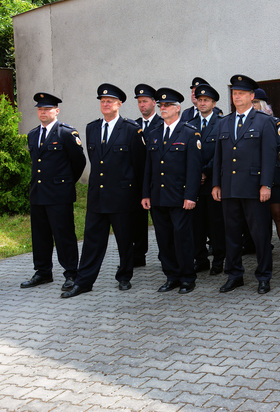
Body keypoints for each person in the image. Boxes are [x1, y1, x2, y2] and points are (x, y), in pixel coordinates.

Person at [62, 84, 146, 298]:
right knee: (92, 242)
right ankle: (84, 281)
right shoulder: (92, 128)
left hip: (122, 196)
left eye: (110, 101)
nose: (105, 104)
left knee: (124, 240)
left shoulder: (131, 129)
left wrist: (141, 194)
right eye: (102, 101)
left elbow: (140, 165)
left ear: (119, 104)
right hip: (97, 196)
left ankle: (124, 275)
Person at [212, 75, 278, 295]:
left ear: (251, 96)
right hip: (229, 187)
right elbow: (219, 157)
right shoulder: (224, 122)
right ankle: (234, 275)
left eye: (241, 93)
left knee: (260, 235)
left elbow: (269, 156)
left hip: (253, 188)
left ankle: (264, 275)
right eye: (234, 93)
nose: (237, 97)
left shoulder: (264, 121)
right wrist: (216, 184)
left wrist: (266, 185)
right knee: (231, 234)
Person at [22, 93, 86, 291]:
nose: (43, 112)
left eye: (47, 109)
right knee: (39, 235)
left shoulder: (66, 133)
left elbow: (79, 162)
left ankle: (71, 273)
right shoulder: (33, 134)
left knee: (63, 234)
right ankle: (43, 272)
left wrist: (65, 183)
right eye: (40, 109)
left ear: (56, 111)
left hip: (59, 194)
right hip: (38, 193)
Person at [142, 87, 202, 294]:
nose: (163, 108)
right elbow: (148, 167)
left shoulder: (189, 132)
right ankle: (171, 276)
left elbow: (194, 169)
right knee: (164, 239)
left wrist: (190, 196)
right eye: (161, 105)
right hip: (158, 196)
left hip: (179, 196)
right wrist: (146, 194)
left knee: (181, 238)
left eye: (167, 105)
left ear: (178, 108)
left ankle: (187, 277)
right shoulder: (153, 133)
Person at [252, 87, 280, 276]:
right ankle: (264, 259)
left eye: (255, 102)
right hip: (252, 177)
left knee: (277, 215)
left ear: (262, 104)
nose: (253, 105)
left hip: (271, 174)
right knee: (259, 220)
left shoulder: (273, 121)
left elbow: (276, 145)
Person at [192, 83, 226, 276]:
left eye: (206, 100)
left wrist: (205, 172)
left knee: (216, 224)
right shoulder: (190, 124)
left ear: (213, 103)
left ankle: (219, 260)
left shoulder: (221, 123)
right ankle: (201, 259)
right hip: (195, 184)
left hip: (213, 182)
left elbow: (221, 153)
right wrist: (196, 174)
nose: (202, 103)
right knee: (197, 225)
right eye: (200, 100)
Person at [132, 83, 162, 267]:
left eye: (145, 101)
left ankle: (166, 256)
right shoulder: (133, 125)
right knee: (137, 220)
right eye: (139, 102)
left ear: (153, 102)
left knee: (160, 221)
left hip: (157, 180)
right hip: (137, 181)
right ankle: (138, 255)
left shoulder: (162, 123)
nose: (142, 105)